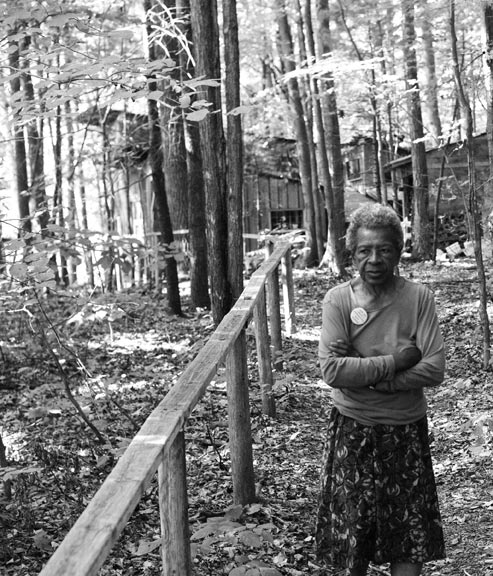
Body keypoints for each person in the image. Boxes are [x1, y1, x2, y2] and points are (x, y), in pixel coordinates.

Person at [315, 204, 446, 576]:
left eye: (385, 249)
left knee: (408, 536)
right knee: (351, 538)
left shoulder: (418, 298)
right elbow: (332, 369)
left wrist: (373, 378)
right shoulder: (338, 300)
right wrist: (397, 361)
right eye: (364, 251)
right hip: (352, 429)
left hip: (405, 429)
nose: (374, 259)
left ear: (398, 251)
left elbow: (433, 367)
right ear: (351, 254)